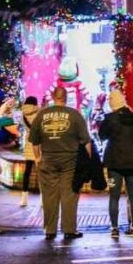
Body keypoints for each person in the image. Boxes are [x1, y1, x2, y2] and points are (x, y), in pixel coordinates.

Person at [29, 85, 92, 241]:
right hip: (70, 161)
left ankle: (50, 230)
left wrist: (37, 158)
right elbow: (86, 142)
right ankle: (69, 230)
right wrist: (87, 161)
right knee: (69, 196)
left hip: (48, 160)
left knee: (49, 196)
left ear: (53, 96)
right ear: (65, 97)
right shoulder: (75, 115)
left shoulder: (41, 115)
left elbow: (35, 142)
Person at [99, 90, 133, 238]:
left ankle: (114, 228)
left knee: (114, 196)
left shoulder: (109, 119)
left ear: (112, 103)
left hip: (114, 163)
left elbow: (102, 136)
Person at [18, 96, 41, 207]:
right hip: (38, 143)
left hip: (28, 142)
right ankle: (42, 199)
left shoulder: (23, 113)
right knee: (41, 172)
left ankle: (24, 199)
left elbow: (26, 127)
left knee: (27, 172)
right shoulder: (39, 112)